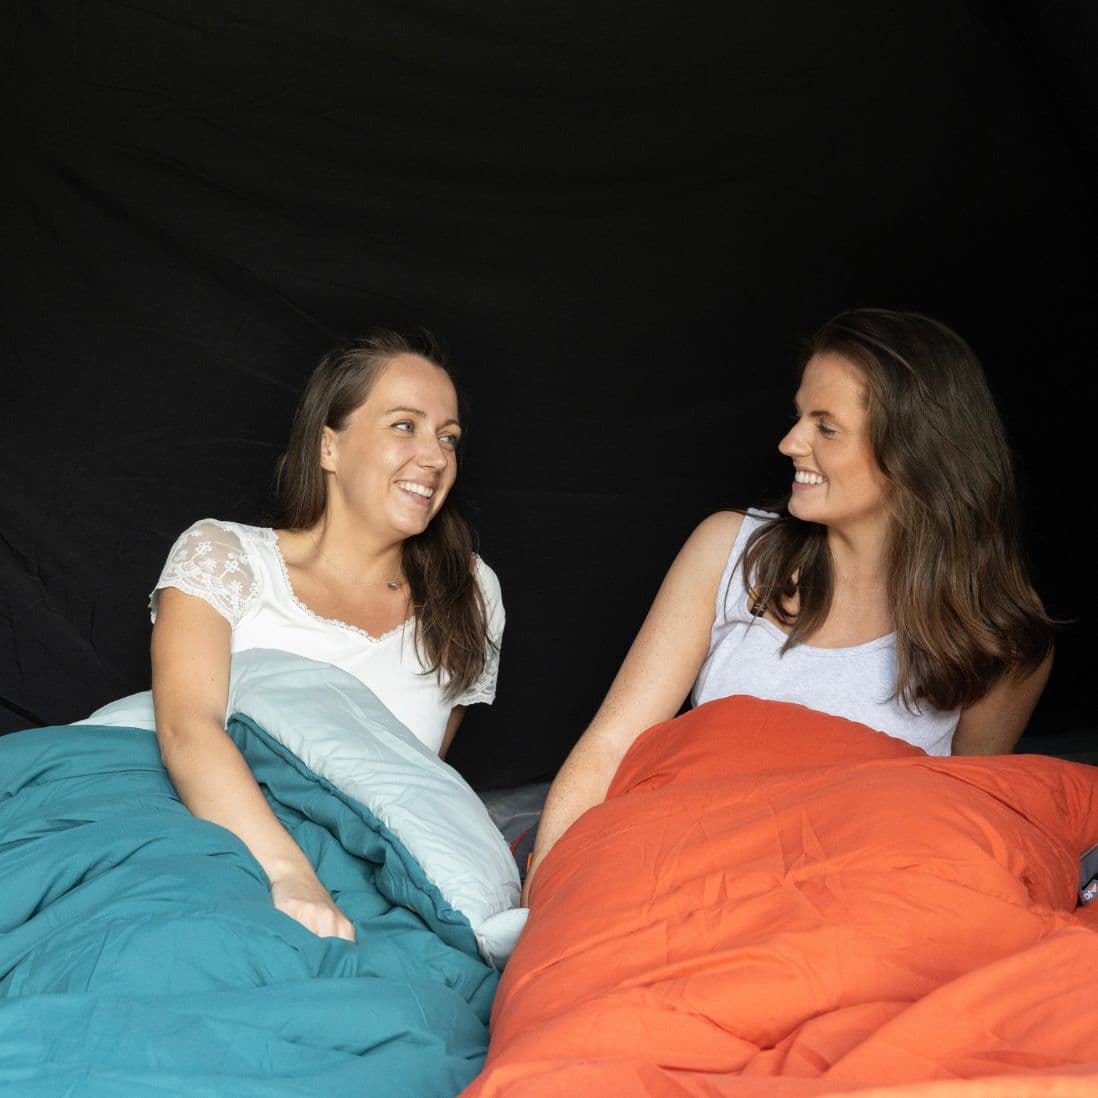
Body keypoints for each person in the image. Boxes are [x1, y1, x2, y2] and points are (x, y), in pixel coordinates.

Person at [523, 306, 1054, 902]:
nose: (790, 442)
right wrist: (547, 889)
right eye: (800, 415)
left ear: (916, 454)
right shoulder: (730, 550)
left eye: (826, 428)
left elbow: (963, 820)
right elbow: (612, 743)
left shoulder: (995, 630)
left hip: (856, 901)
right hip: (692, 876)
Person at [149, 327, 505, 941]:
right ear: (328, 447)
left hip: (373, 895)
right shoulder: (224, 558)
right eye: (404, 425)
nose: (437, 456)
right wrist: (292, 877)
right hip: (220, 855)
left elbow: (408, 781)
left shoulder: (469, 593)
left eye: (449, 437)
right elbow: (186, 728)